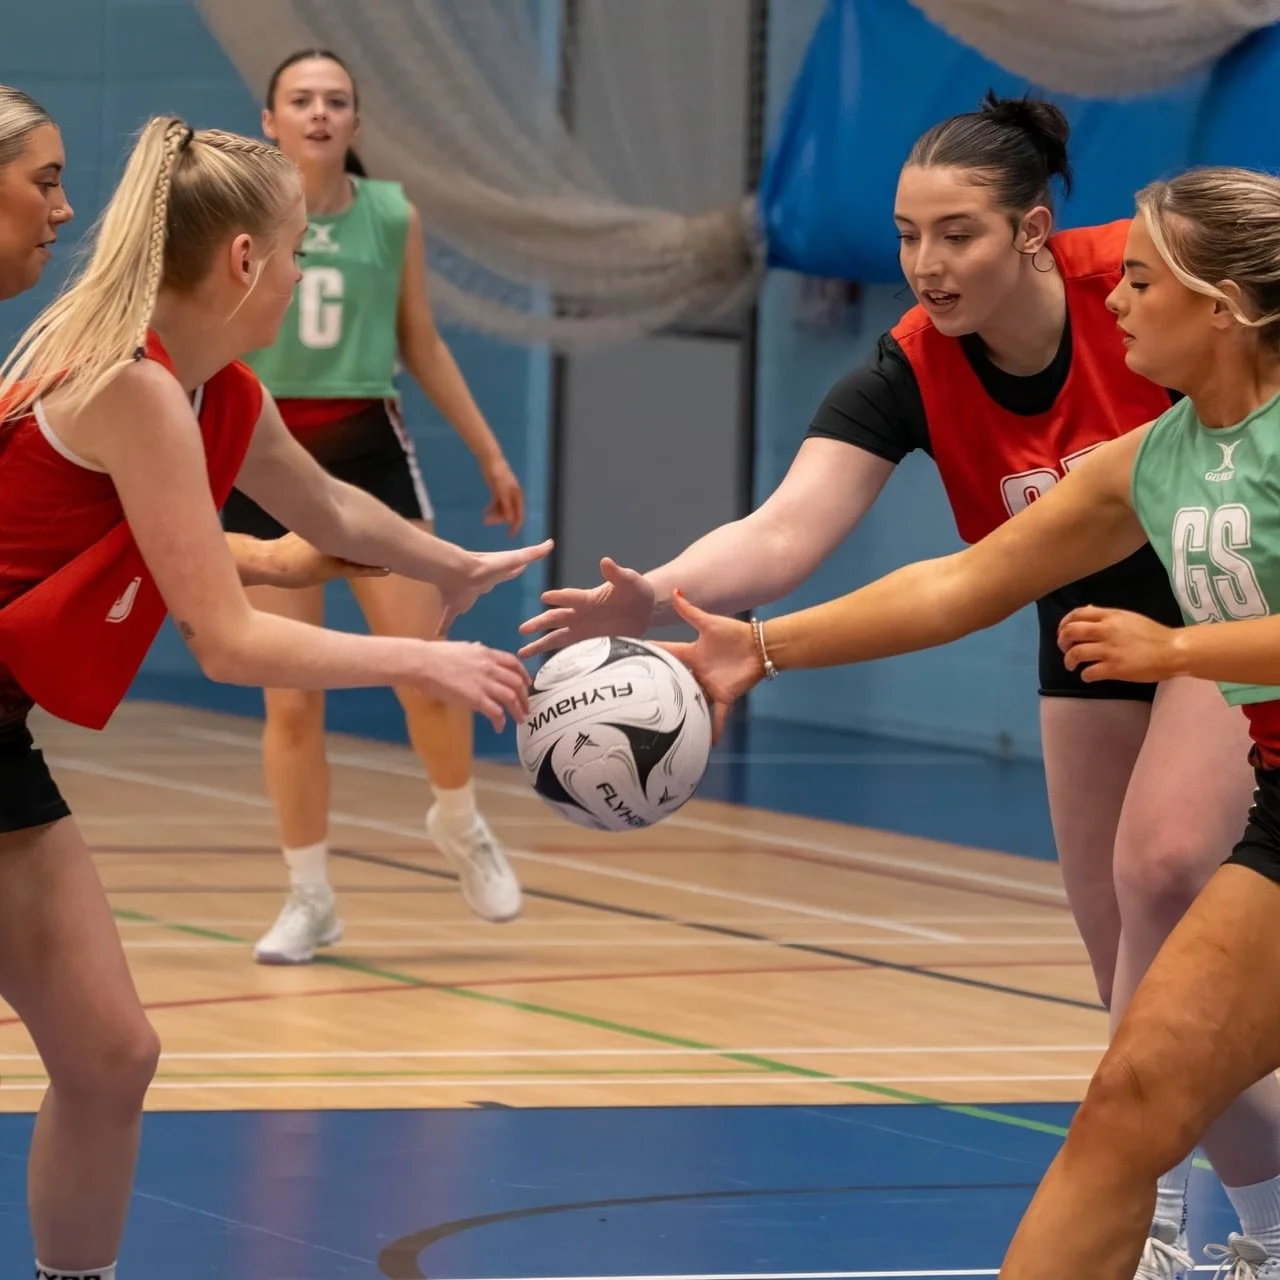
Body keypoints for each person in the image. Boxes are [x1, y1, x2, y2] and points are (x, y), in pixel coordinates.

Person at [517, 93, 1272, 1276]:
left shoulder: (1141, 283)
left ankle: (1157, 1206)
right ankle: (1230, 1208)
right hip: (1079, 616)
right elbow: (851, 548)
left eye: (955, 231)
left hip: (1205, 619)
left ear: (1030, 232)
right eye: (905, 233)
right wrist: (690, 612)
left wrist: (1176, 649)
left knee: (1161, 864)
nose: (924, 262)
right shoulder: (964, 388)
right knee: (1125, 945)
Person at [0, 110, 548, 1280]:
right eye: (295, 252)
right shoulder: (130, 383)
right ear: (245, 260)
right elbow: (227, 640)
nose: (301, 274)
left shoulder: (216, 391)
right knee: (107, 1053)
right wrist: (419, 661)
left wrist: (446, 567)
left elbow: (335, 513)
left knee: (108, 1055)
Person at [220, 47, 529, 965]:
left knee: (426, 663)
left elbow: (422, 344)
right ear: (268, 121)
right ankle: (309, 896)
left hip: (363, 449)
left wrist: (489, 450)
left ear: (355, 123)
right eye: (300, 100)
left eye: (337, 101)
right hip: (261, 449)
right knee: (290, 700)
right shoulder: (238, 217)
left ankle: (460, 821)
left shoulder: (392, 215)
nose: (319, 113)